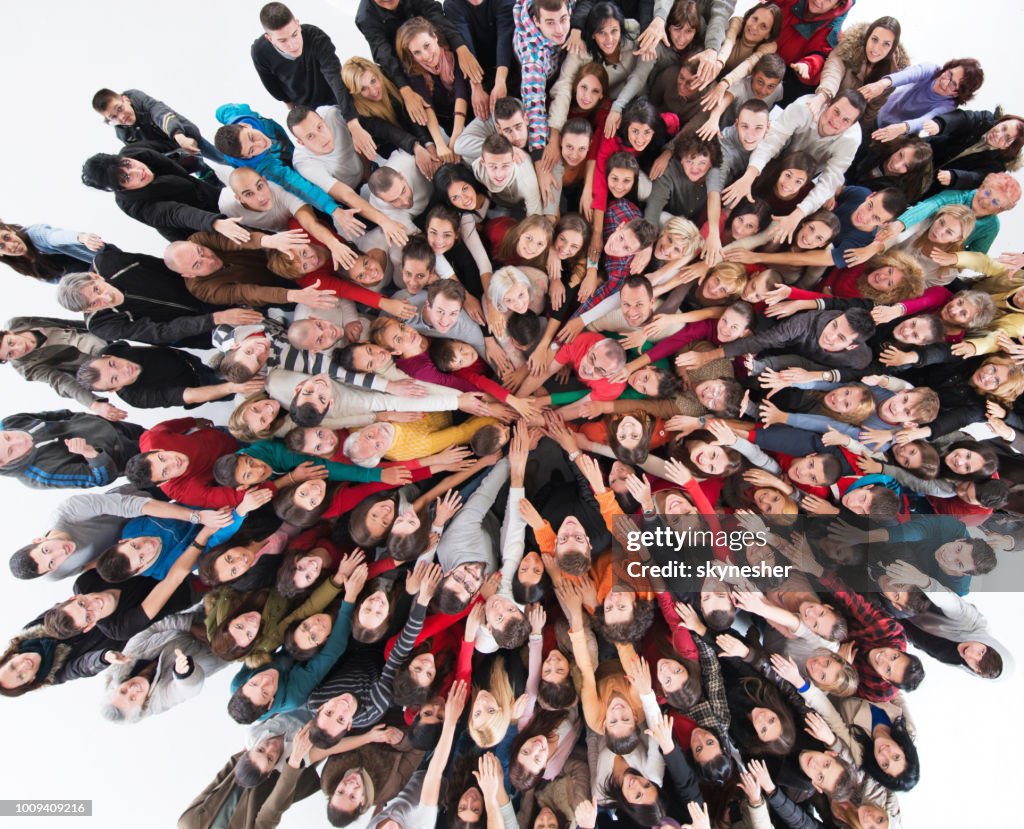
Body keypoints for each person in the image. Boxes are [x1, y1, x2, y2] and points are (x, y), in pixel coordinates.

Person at [723, 90, 867, 245]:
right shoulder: (804, 106)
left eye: (846, 120)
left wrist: (798, 214)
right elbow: (773, 141)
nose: (836, 121)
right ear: (827, 104)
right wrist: (749, 175)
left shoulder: (851, 140)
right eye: (836, 112)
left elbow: (830, 180)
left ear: (852, 125)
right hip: (777, 159)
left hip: (806, 176)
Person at [251, 2, 378, 160]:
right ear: (270, 39)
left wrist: (352, 123)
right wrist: (294, 112)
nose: (292, 45)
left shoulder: (315, 37)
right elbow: (274, 88)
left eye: (295, 34)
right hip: (304, 104)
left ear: (297, 24)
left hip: (333, 95)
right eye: (282, 41)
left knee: (355, 131)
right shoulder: (260, 52)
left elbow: (335, 79)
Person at [80, 147, 244, 244]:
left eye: (128, 164)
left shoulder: (135, 154)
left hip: (200, 191)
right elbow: (177, 213)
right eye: (127, 178)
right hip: (194, 228)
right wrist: (214, 223)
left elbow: (176, 167)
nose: (138, 171)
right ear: (121, 189)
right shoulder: (131, 205)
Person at [76, 342, 263, 410]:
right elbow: (188, 395)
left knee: (214, 369)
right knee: (242, 389)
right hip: (198, 387)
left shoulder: (112, 349)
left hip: (186, 361)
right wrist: (232, 387)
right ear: (115, 388)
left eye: (113, 364)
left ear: (108, 356)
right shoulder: (137, 398)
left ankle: (218, 368)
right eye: (115, 379)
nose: (123, 369)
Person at [0, 409, 143, 490]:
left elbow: (54, 415)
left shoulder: (8, 422)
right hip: (125, 455)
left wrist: (82, 417)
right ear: (3, 463)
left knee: (159, 432)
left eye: (8, 437)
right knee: (163, 448)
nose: (21, 440)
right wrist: (90, 453)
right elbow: (101, 479)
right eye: (11, 450)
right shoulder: (40, 476)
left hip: (111, 425)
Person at [91, 87, 220, 165]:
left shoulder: (141, 100)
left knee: (221, 158)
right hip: (175, 153)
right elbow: (144, 152)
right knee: (202, 171)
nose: (121, 117)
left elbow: (160, 113)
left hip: (186, 135)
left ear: (126, 100)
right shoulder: (123, 134)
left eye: (119, 109)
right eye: (113, 117)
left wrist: (178, 135)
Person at [0, 221, 103, 283]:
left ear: (10, 230)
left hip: (103, 263)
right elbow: (54, 280)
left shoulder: (34, 234)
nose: (11, 245)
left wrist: (81, 237)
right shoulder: (20, 265)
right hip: (94, 283)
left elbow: (53, 236)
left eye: (6, 237)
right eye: (1, 246)